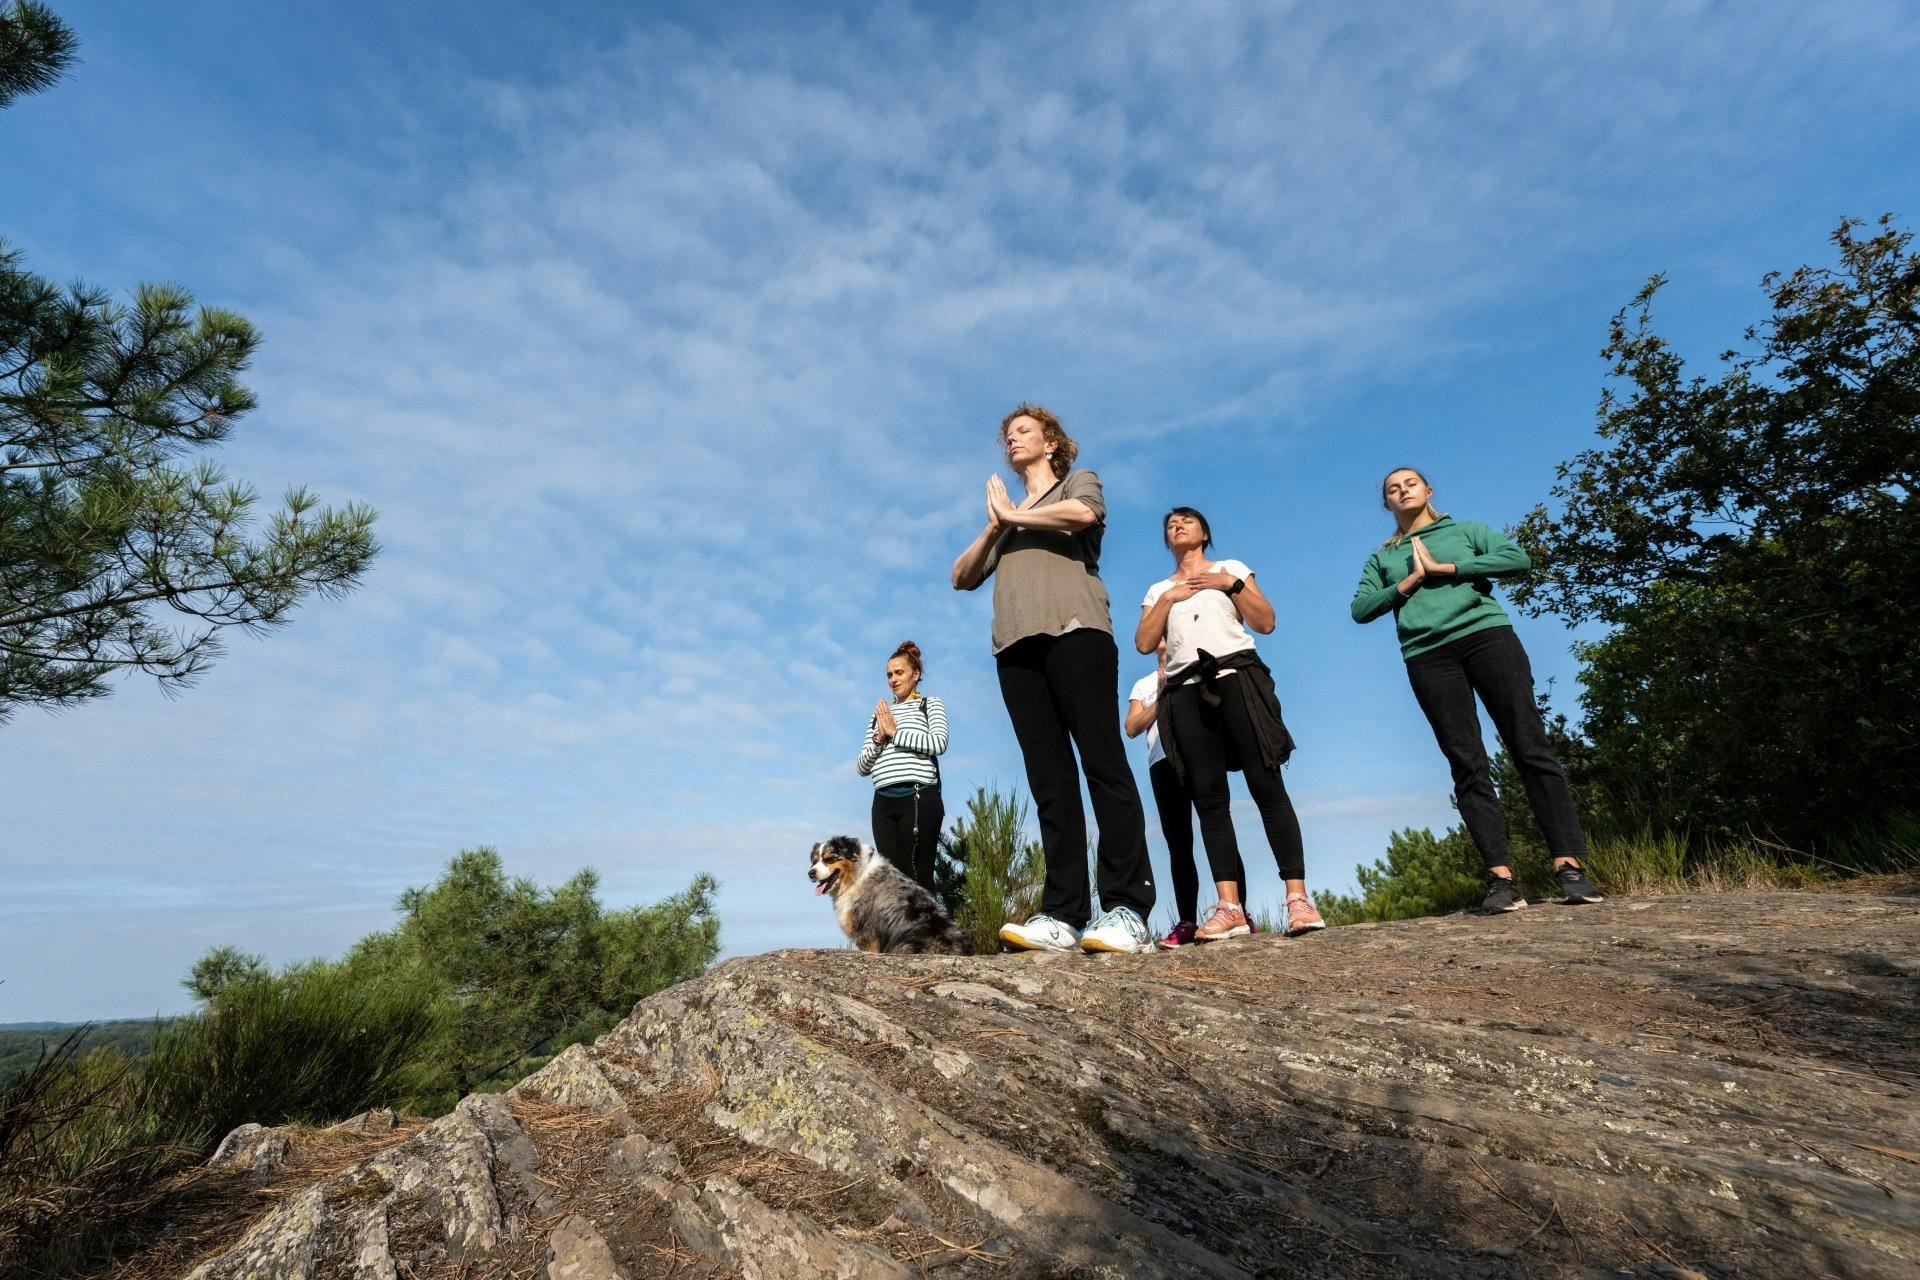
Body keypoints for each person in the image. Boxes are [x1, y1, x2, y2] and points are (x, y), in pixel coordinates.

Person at [1350, 467, 1604, 913]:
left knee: (1530, 746)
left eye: (1410, 484)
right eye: (1393, 489)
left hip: (1488, 638)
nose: (1402, 491)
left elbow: (1517, 559)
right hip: (1427, 655)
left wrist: (1448, 568)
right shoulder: (1382, 557)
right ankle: (1500, 879)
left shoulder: (1467, 531)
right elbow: (1360, 608)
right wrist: (1409, 580)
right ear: (1386, 504)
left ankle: (1569, 868)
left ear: (1429, 490)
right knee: (1466, 761)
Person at [951, 403, 1156, 954]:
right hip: (1016, 648)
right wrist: (996, 523)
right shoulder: (1008, 518)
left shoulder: (1076, 484)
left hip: (1077, 633)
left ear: (1050, 443)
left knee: (1102, 762)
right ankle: (1065, 911)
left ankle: (1127, 907)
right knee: (1049, 779)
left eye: (1024, 431)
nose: (1012, 440)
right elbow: (961, 576)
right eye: (1007, 435)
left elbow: (1083, 518)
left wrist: (1015, 518)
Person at [1136, 507, 1325, 939]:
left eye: (1186, 521)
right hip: (1183, 690)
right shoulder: (1158, 589)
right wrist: (1167, 599)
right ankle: (1229, 907)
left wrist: (1231, 585)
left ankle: (1297, 899)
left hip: (1236, 676)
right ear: (1167, 541)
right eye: (1169, 525)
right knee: (1208, 797)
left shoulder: (1231, 568)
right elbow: (1146, 643)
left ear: (1204, 532)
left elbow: (1266, 621)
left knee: (1266, 784)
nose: (1177, 526)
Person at [1125, 641, 1245, 948]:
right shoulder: (1143, 685)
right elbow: (1131, 726)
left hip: (1199, 755)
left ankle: (1239, 911)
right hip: (1162, 763)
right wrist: (1163, 699)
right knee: (1178, 844)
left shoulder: (1193, 671)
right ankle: (1187, 923)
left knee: (1217, 824)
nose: (1163, 638)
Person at [855, 639, 948, 892]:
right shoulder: (879, 715)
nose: (893, 679)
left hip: (918, 797)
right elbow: (862, 767)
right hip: (883, 802)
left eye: (899, 673)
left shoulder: (930, 705)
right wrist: (879, 738)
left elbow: (938, 743)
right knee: (892, 883)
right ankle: (901, 932)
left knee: (919, 878)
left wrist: (895, 733)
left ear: (915, 674)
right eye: (889, 675)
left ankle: (928, 931)